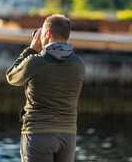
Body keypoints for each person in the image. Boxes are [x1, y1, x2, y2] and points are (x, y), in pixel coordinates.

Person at [6, 14, 85, 162]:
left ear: (47, 33)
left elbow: (11, 77)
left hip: (38, 134)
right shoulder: (79, 64)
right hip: (68, 137)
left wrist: (31, 50)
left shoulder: (35, 63)